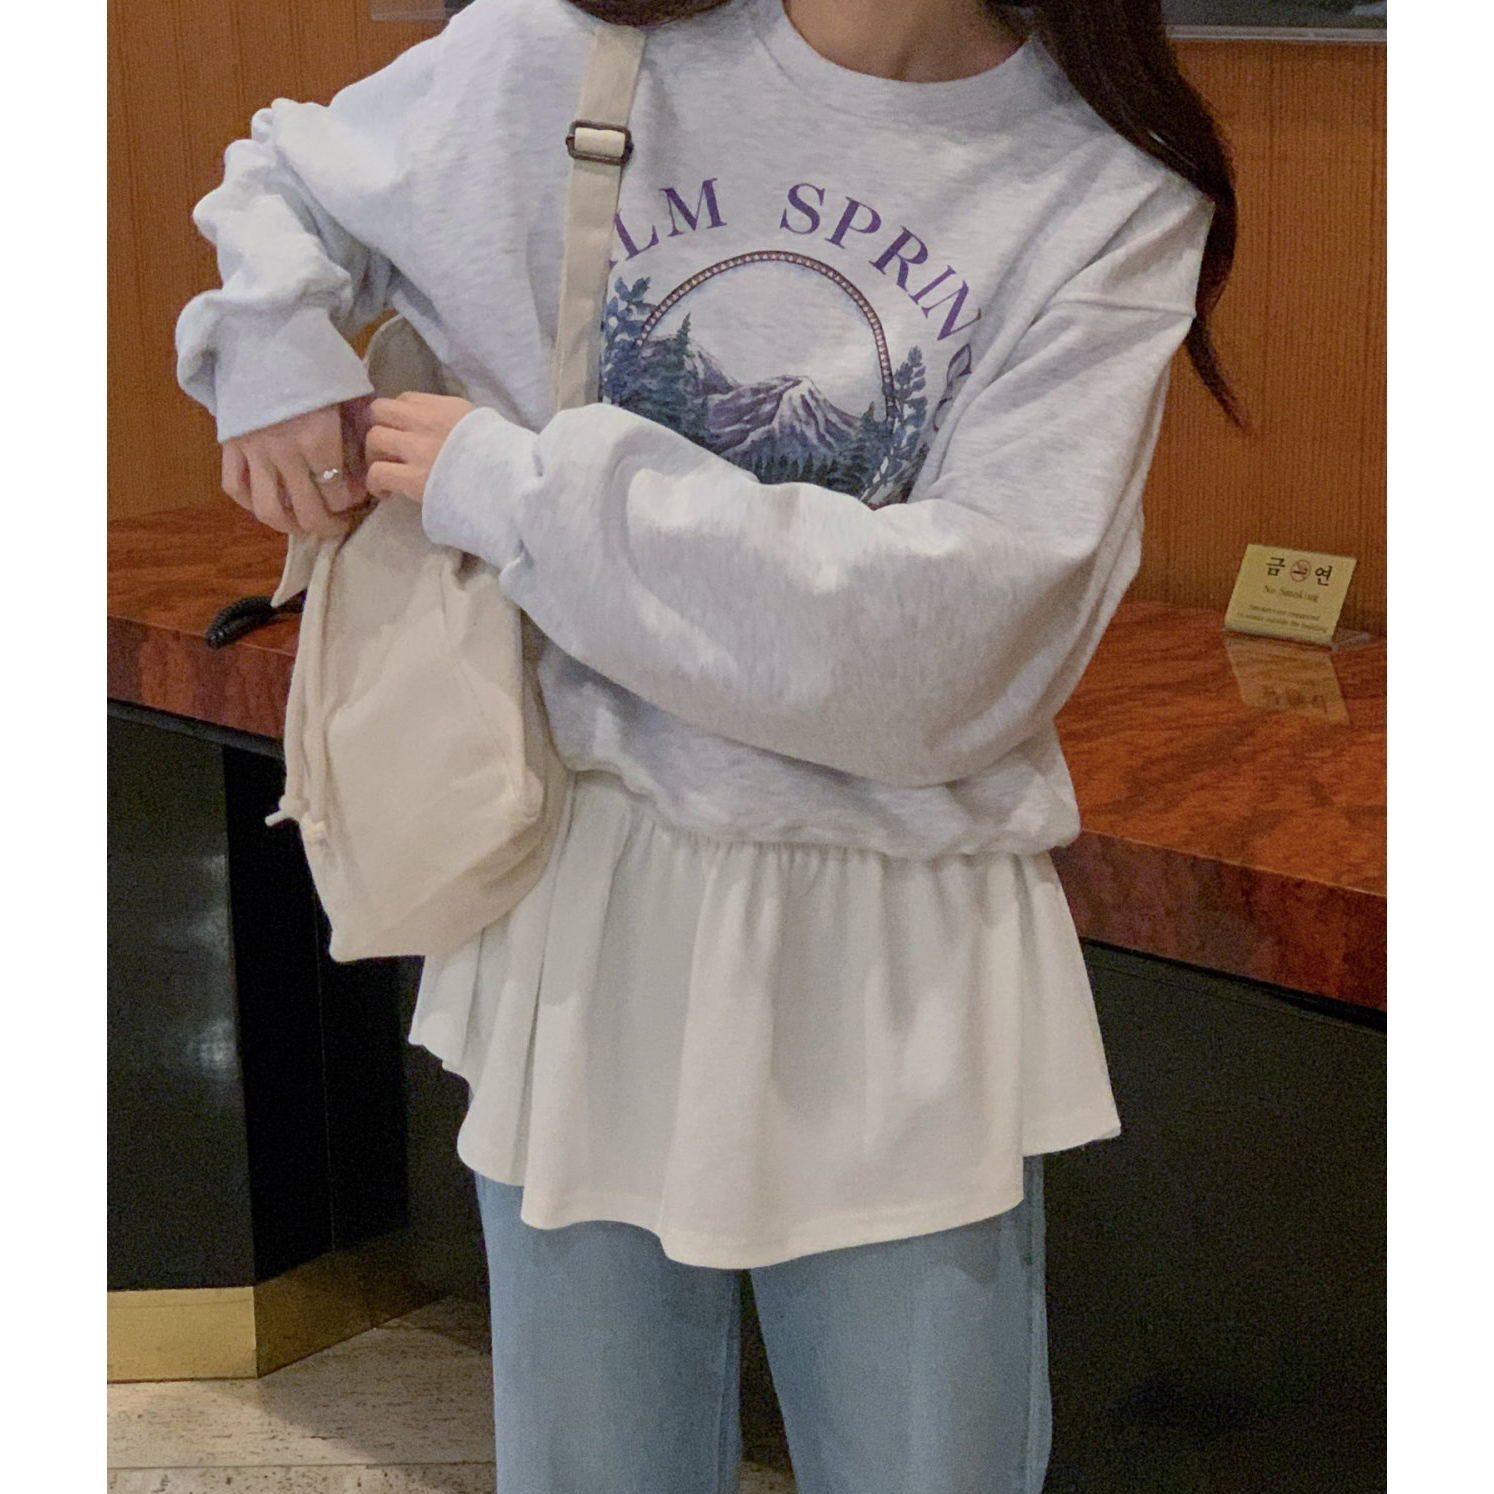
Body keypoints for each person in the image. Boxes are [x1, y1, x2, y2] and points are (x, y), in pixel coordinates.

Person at [174, 1, 1240, 1489]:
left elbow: (955, 652)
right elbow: (289, 177)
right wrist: (271, 351)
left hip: (896, 928)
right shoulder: (578, 46)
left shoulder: (1106, 184)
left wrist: (528, 496)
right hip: (588, 880)